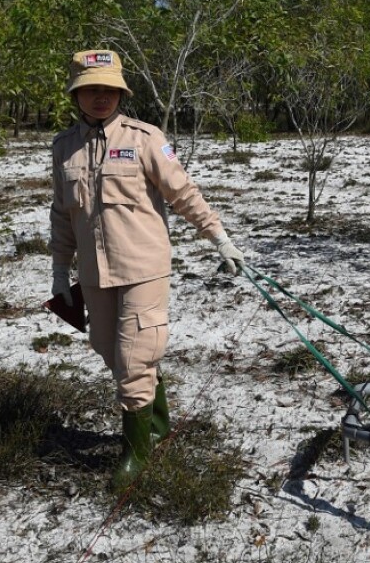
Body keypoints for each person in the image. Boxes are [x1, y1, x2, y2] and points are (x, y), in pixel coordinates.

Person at [48, 49, 247, 492]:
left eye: (110, 89)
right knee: (107, 349)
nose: (101, 97)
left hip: (144, 268)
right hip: (95, 272)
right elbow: (62, 215)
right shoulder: (63, 147)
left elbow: (183, 193)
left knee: (133, 359)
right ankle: (156, 421)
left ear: (121, 93)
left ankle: (136, 452)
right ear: (77, 95)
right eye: (92, 89)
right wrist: (61, 272)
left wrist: (218, 237)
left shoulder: (145, 138)